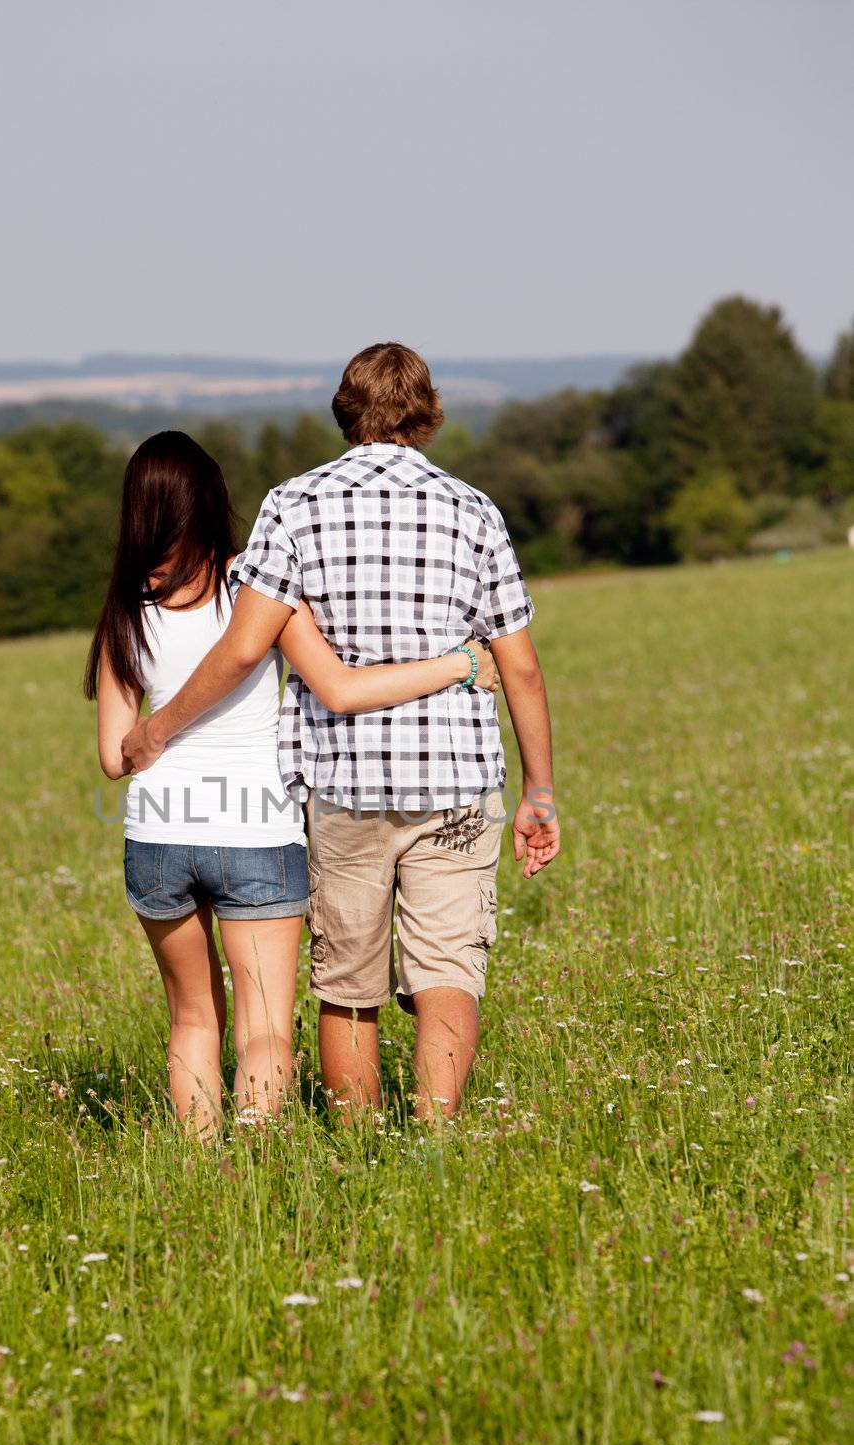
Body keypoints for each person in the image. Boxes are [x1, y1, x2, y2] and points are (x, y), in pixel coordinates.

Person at [123, 348, 560, 1123]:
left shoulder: (291, 505)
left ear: (343, 410)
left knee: (346, 984)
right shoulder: (473, 509)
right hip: (456, 780)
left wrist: (158, 727)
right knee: (447, 973)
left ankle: (355, 1144)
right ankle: (431, 1148)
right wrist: (539, 790)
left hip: (343, 785)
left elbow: (243, 645)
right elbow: (518, 669)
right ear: (426, 411)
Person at [86, 429, 496, 1136]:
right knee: (266, 1029)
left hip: (156, 835)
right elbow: (337, 685)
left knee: (191, 1017)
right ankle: (255, 1167)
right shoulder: (258, 586)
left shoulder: (123, 611)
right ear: (214, 500)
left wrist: (157, 729)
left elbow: (114, 759)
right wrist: (459, 664)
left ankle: (197, 1168)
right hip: (256, 834)